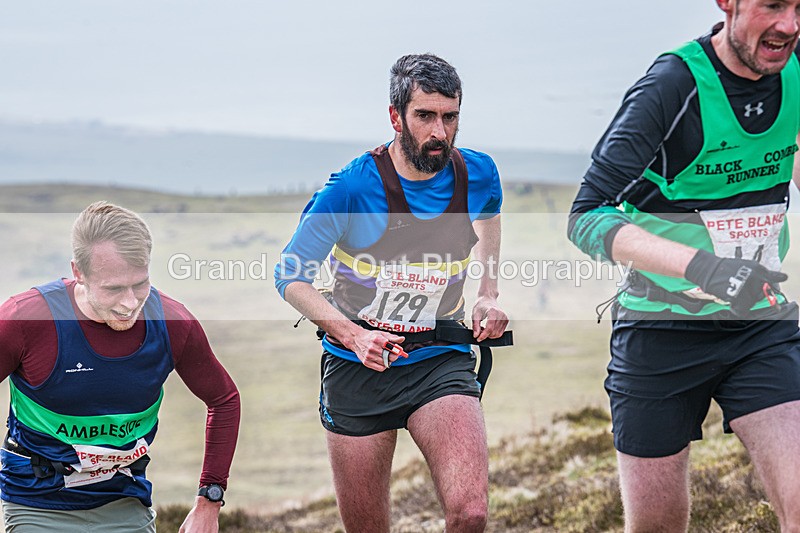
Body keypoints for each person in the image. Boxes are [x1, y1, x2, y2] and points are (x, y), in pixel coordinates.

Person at [568, 0, 800, 530]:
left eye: (798, 8)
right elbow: (585, 217)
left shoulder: (796, 64)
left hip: (759, 323)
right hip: (660, 331)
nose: (788, 25)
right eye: (771, 6)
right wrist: (706, 269)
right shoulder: (672, 86)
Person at [275, 54, 509, 532]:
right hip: (358, 366)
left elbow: (488, 213)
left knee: (471, 514)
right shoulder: (352, 188)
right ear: (396, 116)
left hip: (439, 356)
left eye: (450, 116)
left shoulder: (478, 173)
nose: (439, 132)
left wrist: (487, 293)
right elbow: (290, 276)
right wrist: (354, 336)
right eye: (425, 116)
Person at [0, 202, 241, 532]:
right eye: (114, 288)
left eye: (140, 284)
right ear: (79, 272)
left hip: (124, 501)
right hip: (36, 503)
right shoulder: (25, 319)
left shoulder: (172, 324)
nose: (130, 303)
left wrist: (209, 501)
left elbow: (224, 400)